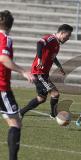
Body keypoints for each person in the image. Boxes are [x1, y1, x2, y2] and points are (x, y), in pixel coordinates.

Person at [0, 10, 34, 160]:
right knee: (15, 123)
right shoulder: (5, 39)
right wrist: (23, 71)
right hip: (1, 87)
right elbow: (4, 59)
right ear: (11, 24)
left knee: (12, 120)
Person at [20, 24, 73, 118]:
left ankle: (21, 112)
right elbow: (40, 43)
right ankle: (54, 114)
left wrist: (59, 66)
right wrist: (39, 59)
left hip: (43, 74)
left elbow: (52, 56)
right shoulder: (51, 38)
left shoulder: (56, 43)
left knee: (41, 98)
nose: (68, 38)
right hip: (39, 72)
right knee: (55, 93)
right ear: (62, 33)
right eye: (67, 36)